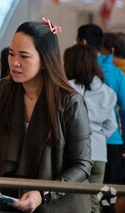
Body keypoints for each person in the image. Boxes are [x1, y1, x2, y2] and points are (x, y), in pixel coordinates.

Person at [0, 19, 92, 213]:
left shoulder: (70, 101)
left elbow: (82, 165)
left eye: (24, 56)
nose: (14, 63)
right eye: (11, 54)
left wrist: (43, 193)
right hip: (12, 199)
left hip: (58, 205)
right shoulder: (1, 90)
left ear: (45, 60)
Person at [64, 44, 117, 213]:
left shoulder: (66, 88)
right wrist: (98, 138)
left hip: (75, 152)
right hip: (100, 154)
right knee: (94, 199)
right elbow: (112, 125)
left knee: (71, 199)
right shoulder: (108, 92)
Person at [77, 23, 125, 194]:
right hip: (113, 142)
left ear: (82, 42)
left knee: (84, 197)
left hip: (83, 143)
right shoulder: (116, 73)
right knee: (108, 197)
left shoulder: (77, 70)